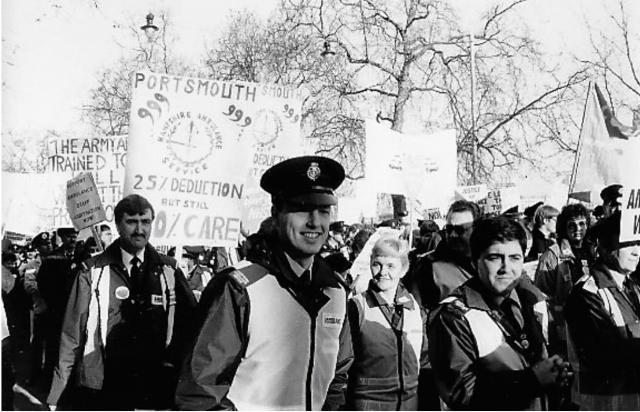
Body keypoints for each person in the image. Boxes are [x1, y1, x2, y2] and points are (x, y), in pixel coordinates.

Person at [175, 156, 353, 410]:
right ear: (276, 212)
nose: (315, 222)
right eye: (302, 208)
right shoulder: (238, 288)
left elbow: (336, 379)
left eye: (323, 210)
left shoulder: (335, 292)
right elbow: (200, 395)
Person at [46, 194, 197, 410]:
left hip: (156, 386)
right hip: (108, 386)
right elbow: (72, 336)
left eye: (145, 222)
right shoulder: (92, 272)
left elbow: (189, 330)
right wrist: (57, 394)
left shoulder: (168, 271)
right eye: (131, 222)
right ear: (118, 225)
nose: (139, 229)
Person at [429, 217, 571, 410]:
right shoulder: (454, 316)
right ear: (475, 261)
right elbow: (462, 393)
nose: (506, 268)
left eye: (515, 258)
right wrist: (532, 380)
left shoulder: (530, 300)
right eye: (495, 258)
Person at [564, 211, 640, 410]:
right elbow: (605, 355)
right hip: (601, 405)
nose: (636, 252)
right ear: (604, 247)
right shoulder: (586, 293)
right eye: (626, 244)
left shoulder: (633, 287)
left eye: (639, 243)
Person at [346, 236, 427, 410]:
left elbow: (424, 357)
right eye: (377, 264)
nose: (383, 272)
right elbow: (344, 365)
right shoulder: (357, 306)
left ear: (403, 269)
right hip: (369, 404)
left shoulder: (413, 307)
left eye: (391, 266)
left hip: (409, 404)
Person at [534, 204, 591, 358]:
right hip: (563, 328)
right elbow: (541, 297)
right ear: (564, 227)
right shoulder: (552, 255)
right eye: (571, 225)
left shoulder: (593, 251)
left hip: (591, 325)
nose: (577, 229)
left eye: (582, 224)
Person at [407, 200, 480, 310]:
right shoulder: (427, 266)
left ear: (476, 229)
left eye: (460, 230)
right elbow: (420, 311)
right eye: (449, 229)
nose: (453, 235)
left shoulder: (491, 260)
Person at [21, 232, 52, 383]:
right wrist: (46, 289)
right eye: (45, 244)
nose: (49, 246)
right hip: (40, 308)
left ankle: (48, 374)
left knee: (53, 343)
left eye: (50, 243)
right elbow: (29, 285)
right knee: (37, 343)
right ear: (39, 248)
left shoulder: (57, 261)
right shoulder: (33, 265)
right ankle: (34, 374)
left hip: (55, 309)